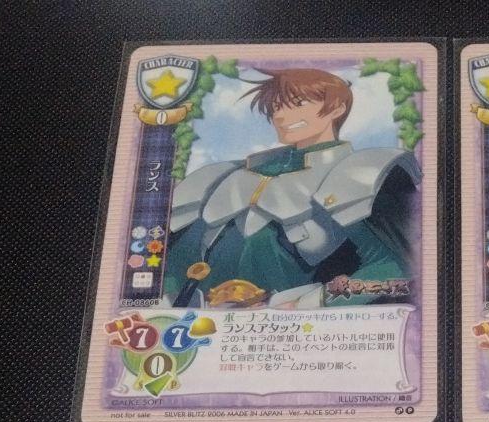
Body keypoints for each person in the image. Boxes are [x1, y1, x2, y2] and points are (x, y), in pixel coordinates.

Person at [164, 68, 420, 309]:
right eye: (276, 107)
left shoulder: (362, 172)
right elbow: (175, 259)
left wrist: (310, 304)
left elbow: (396, 268)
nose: (280, 116)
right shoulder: (222, 175)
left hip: (307, 323)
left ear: (337, 108)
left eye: (297, 103)